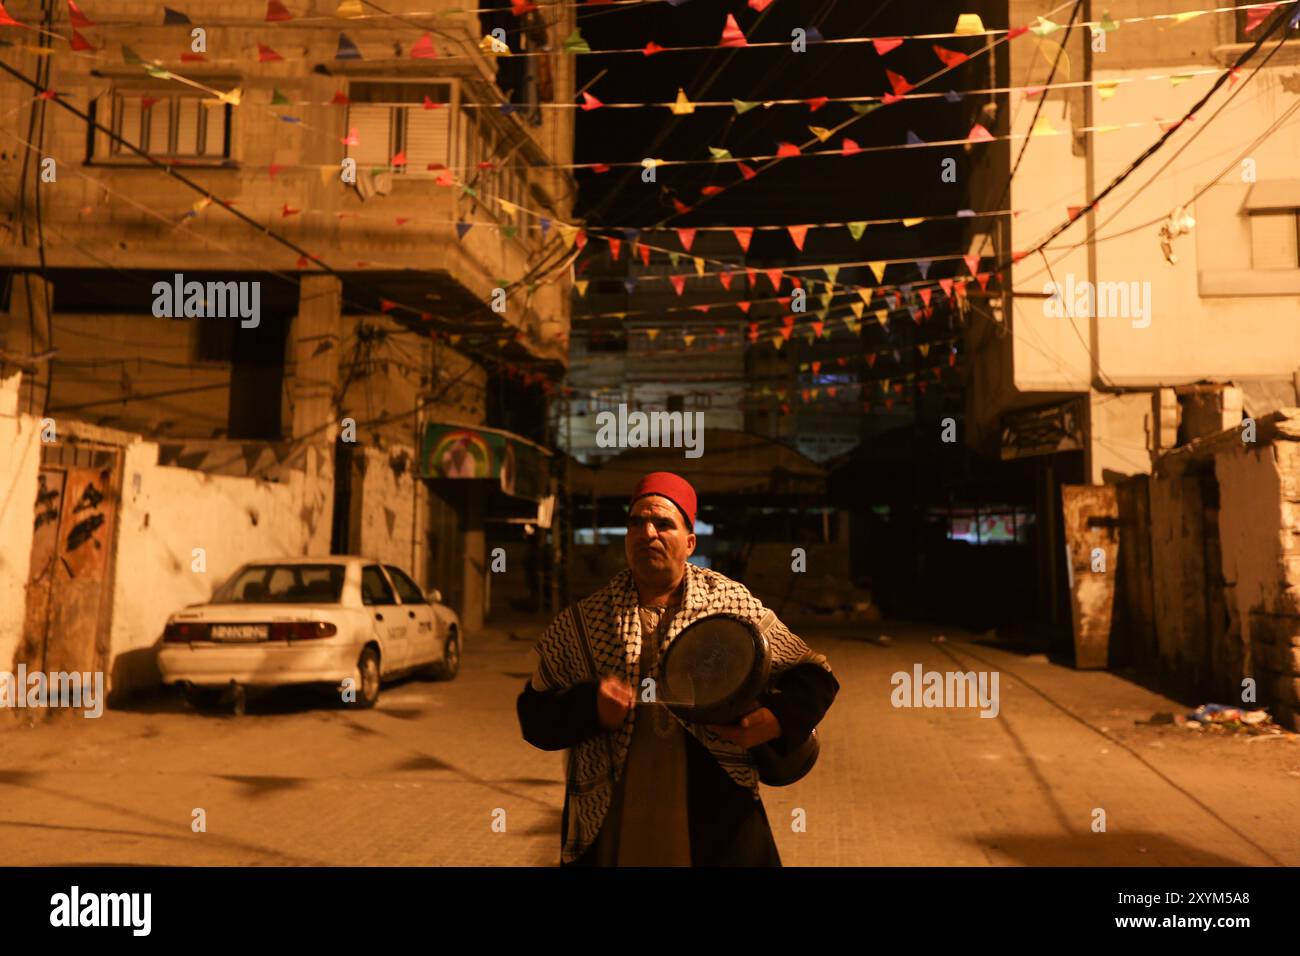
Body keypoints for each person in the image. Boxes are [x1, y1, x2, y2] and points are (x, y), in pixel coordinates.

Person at [516, 471, 839, 866]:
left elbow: (815, 675)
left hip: (715, 812)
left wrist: (773, 720)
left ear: (689, 542)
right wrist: (590, 710)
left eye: (663, 523)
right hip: (616, 815)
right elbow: (533, 716)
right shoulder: (584, 621)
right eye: (636, 522)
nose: (647, 532)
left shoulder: (729, 602)